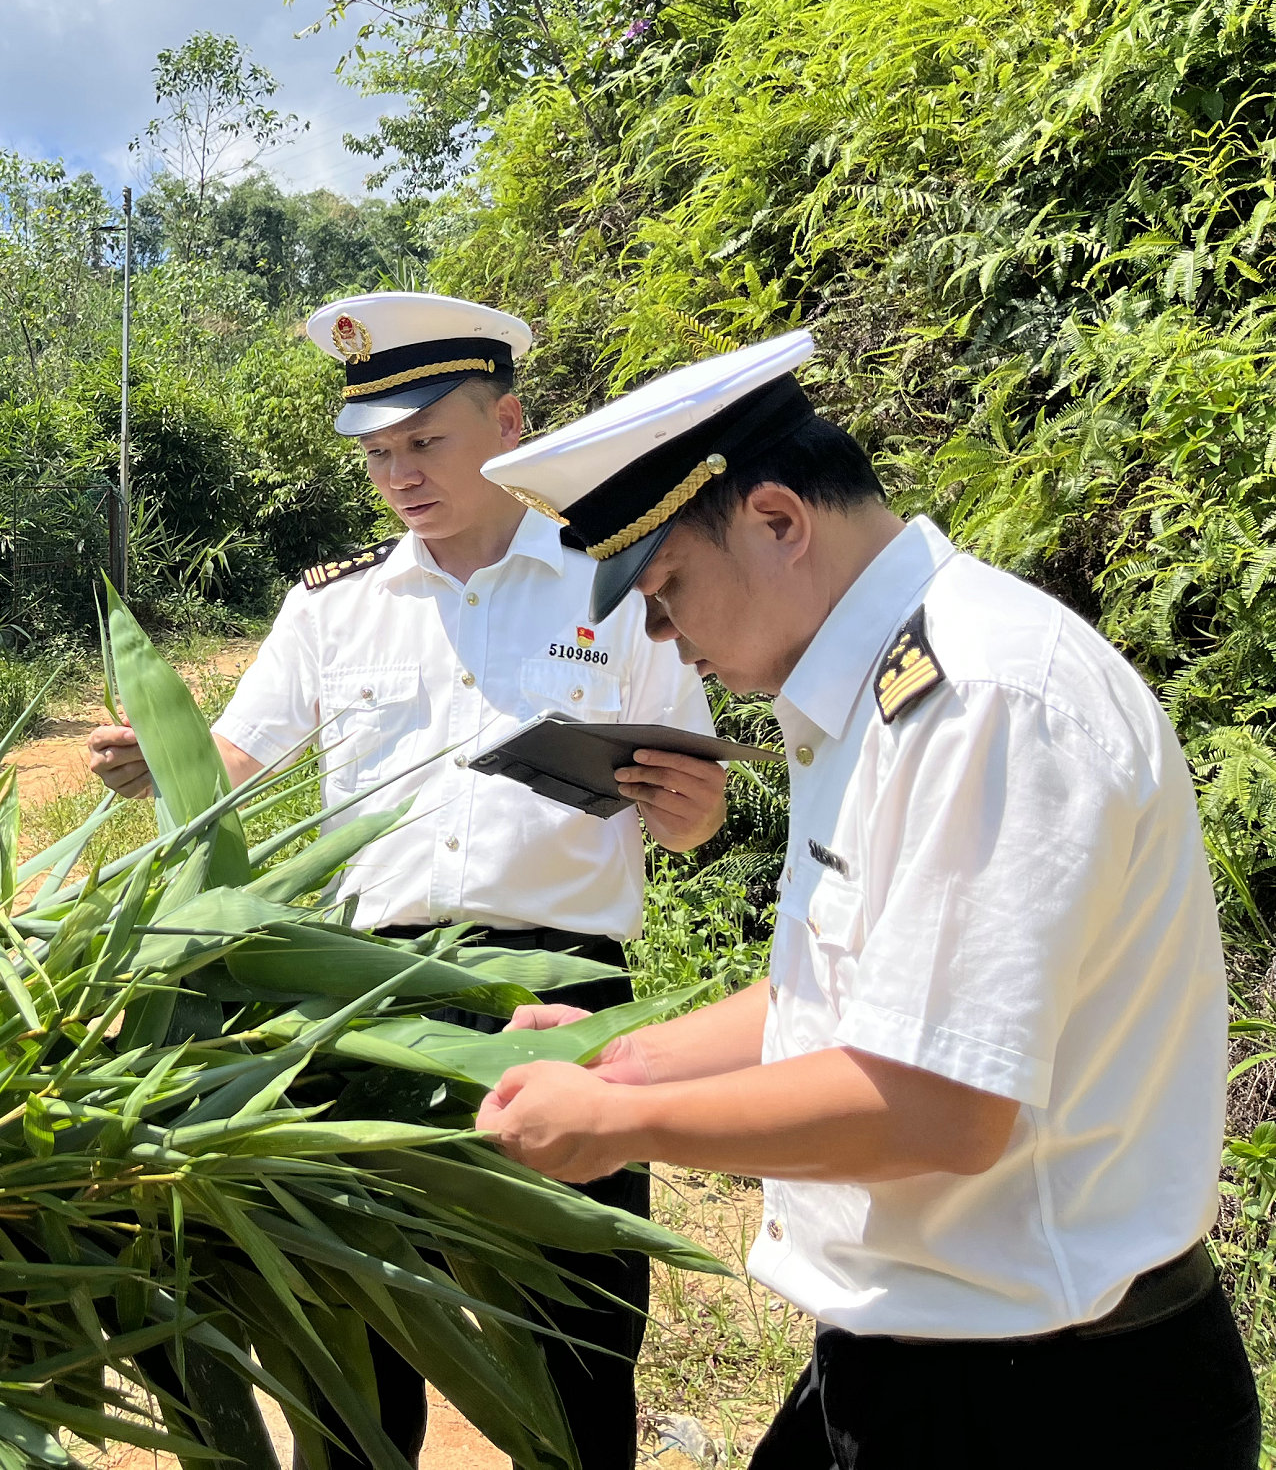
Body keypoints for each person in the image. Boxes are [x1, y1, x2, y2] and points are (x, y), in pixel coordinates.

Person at [473, 328, 1257, 1467]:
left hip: (1050, 1400)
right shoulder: (873, 690)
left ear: (779, 521)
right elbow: (838, 994)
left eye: (666, 591)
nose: (663, 641)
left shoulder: (980, 699)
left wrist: (623, 1125)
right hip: (919, 1360)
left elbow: (938, 1103)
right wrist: (620, 1054)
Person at [85, 291, 730, 1470]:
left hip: (560, 994)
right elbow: (231, 759)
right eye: (378, 452)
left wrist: (694, 811)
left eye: (425, 440)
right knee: (357, 1325)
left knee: (575, 1324)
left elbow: (690, 804)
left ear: (509, 422)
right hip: (363, 996)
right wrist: (154, 764)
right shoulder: (332, 605)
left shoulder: (614, 590)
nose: (398, 474)